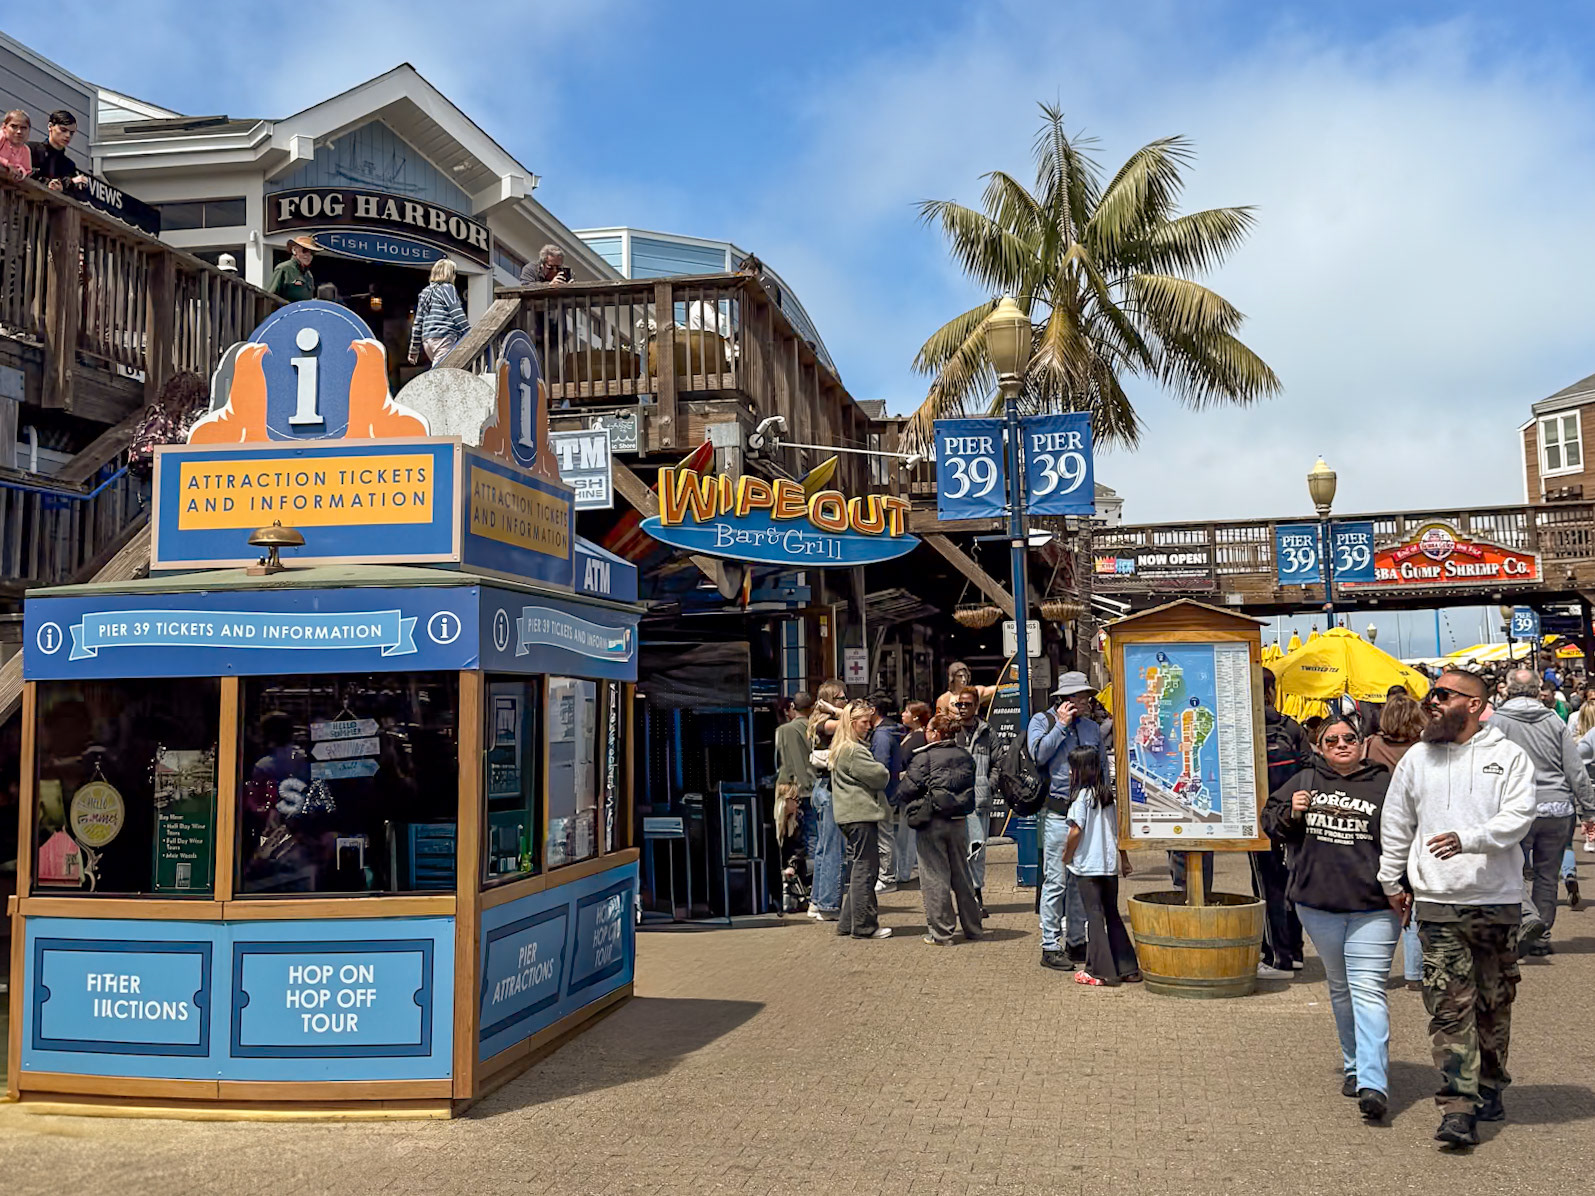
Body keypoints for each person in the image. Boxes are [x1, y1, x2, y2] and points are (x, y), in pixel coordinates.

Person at [1377, 668, 1537, 1147]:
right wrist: (1391, 878)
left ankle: (1490, 1084)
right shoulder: (1417, 760)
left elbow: (1518, 817)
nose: (1432, 702)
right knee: (1449, 1008)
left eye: (1442, 695)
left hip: (1496, 901)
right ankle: (1457, 1106)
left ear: (1472, 703)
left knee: (1494, 1004)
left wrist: (1471, 839)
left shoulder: (1507, 756)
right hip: (1437, 903)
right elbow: (1396, 822)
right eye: (1431, 694)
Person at [1264, 714, 1398, 1121]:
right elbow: (1271, 823)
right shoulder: (1304, 780)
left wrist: (1404, 884)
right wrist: (1291, 811)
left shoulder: (1384, 784)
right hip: (1317, 904)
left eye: (1349, 738)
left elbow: (1405, 834)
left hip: (1373, 906)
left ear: (1361, 743)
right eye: (1332, 740)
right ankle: (1354, 1064)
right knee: (1340, 987)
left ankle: (1374, 1083)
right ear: (1319, 747)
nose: (1342, 744)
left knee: (1369, 989)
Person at [1490, 666, 1594, 955]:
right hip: (1557, 806)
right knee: (1547, 876)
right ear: (1538, 691)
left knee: (1509, 870)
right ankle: (1540, 936)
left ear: (1506, 690)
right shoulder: (1553, 721)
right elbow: (1574, 768)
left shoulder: (1497, 722)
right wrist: (1588, 809)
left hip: (1515, 807)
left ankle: (1526, 919)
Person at [1029, 672, 1106, 971]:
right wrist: (1060, 726)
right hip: (1058, 812)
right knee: (1056, 879)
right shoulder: (1042, 722)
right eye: (1081, 696)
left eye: (1086, 695)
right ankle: (1050, 944)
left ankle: (1076, 940)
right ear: (1066, 699)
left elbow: (1101, 767)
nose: (1086, 700)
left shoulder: (1090, 728)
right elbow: (1039, 755)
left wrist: (1106, 800)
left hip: (1087, 811)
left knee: (1079, 879)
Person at [897, 714, 984, 945]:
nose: (925, 732)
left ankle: (942, 932)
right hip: (958, 821)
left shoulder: (924, 758)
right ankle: (974, 927)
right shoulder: (965, 756)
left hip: (932, 821)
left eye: (928, 729)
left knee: (935, 876)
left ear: (936, 733)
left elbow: (907, 789)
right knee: (962, 874)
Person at [1363, 692, 1429, 989]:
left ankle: (1375, 968)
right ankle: (1415, 970)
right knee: (1414, 897)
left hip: (1380, 827)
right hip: (1417, 826)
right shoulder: (1424, 748)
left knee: (1385, 896)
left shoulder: (1371, 746)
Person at [1062, 746, 1140, 987]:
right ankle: (1127, 966)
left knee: (1094, 916)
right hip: (1108, 867)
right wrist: (1123, 860)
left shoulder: (1081, 799)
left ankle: (1098, 969)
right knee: (1112, 914)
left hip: (1088, 867)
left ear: (1078, 771)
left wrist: (1066, 854)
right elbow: (1118, 833)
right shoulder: (1108, 799)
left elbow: (1076, 831)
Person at [1255, 668, 1308, 978]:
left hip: (1262, 820)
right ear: (1272, 690)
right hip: (1293, 817)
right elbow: (1309, 769)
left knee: (1267, 887)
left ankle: (1277, 956)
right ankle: (1296, 950)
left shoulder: (1245, 727)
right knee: (1291, 882)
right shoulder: (1292, 727)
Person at [829, 699, 893, 940]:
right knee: (866, 869)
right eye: (864, 722)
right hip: (860, 814)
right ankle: (865, 926)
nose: (869, 726)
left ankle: (847, 923)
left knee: (858, 867)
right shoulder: (854, 750)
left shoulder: (842, 748)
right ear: (853, 723)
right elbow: (880, 776)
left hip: (850, 815)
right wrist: (883, 771)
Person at [952, 686, 999, 902]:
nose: (961, 708)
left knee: (978, 849)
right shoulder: (951, 730)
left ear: (976, 706)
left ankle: (976, 894)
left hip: (979, 800)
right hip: (954, 800)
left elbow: (998, 764)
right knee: (957, 851)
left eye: (966, 704)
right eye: (958, 704)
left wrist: (988, 786)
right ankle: (963, 895)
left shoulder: (987, 732)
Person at [805, 680, 847, 921]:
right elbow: (852, 721)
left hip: (821, 788)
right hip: (830, 789)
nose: (846, 702)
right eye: (841, 698)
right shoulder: (826, 723)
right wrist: (839, 712)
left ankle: (817, 901)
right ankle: (828, 905)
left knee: (824, 847)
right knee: (833, 849)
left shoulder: (817, 721)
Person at [774, 692, 816, 913]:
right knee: (812, 842)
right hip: (814, 788)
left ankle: (793, 892)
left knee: (790, 841)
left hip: (789, 790)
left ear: (791, 707)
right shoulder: (815, 727)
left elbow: (779, 762)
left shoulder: (783, 731)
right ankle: (812, 893)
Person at [864, 691, 909, 893]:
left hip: (882, 792)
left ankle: (887, 878)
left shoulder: (881, 736)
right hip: (890, 791)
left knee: (883, 835)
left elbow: (878, 767)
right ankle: (889, 874)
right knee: (886, 833)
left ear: (873, 710)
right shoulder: (892, 730)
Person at [407, 258, 472, 367]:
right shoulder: (447, 288)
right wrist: (470, 334)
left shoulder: (425, 292)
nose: (455, 276)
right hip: (444, 337)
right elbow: (457, 313)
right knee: (441, 373)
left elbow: (417, 323)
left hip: (427, 341)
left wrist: (414, 349)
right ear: (449, 273)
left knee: (440, 369)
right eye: (454, 272)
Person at [28, 110, 87, 193]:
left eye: (71, 133)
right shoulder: (31, 150)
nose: (67, 136)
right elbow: (27, 174)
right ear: (50, 126)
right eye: (63, 130)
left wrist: (70, 185)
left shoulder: (69, 165)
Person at [266, 235, 319, 302]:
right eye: (305, 250)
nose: (308, 255)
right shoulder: (284, 269)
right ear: (294, 250)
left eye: (312, 253)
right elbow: (270, 297)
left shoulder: (309, 276)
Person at [2, 110, 33, 180]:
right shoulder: (2, 138)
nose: (19, 131)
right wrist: (7, 164)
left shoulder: (25, 150)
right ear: (4, 127)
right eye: (14, 126)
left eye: (23, 128)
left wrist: (20, 171)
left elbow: (28, 171)